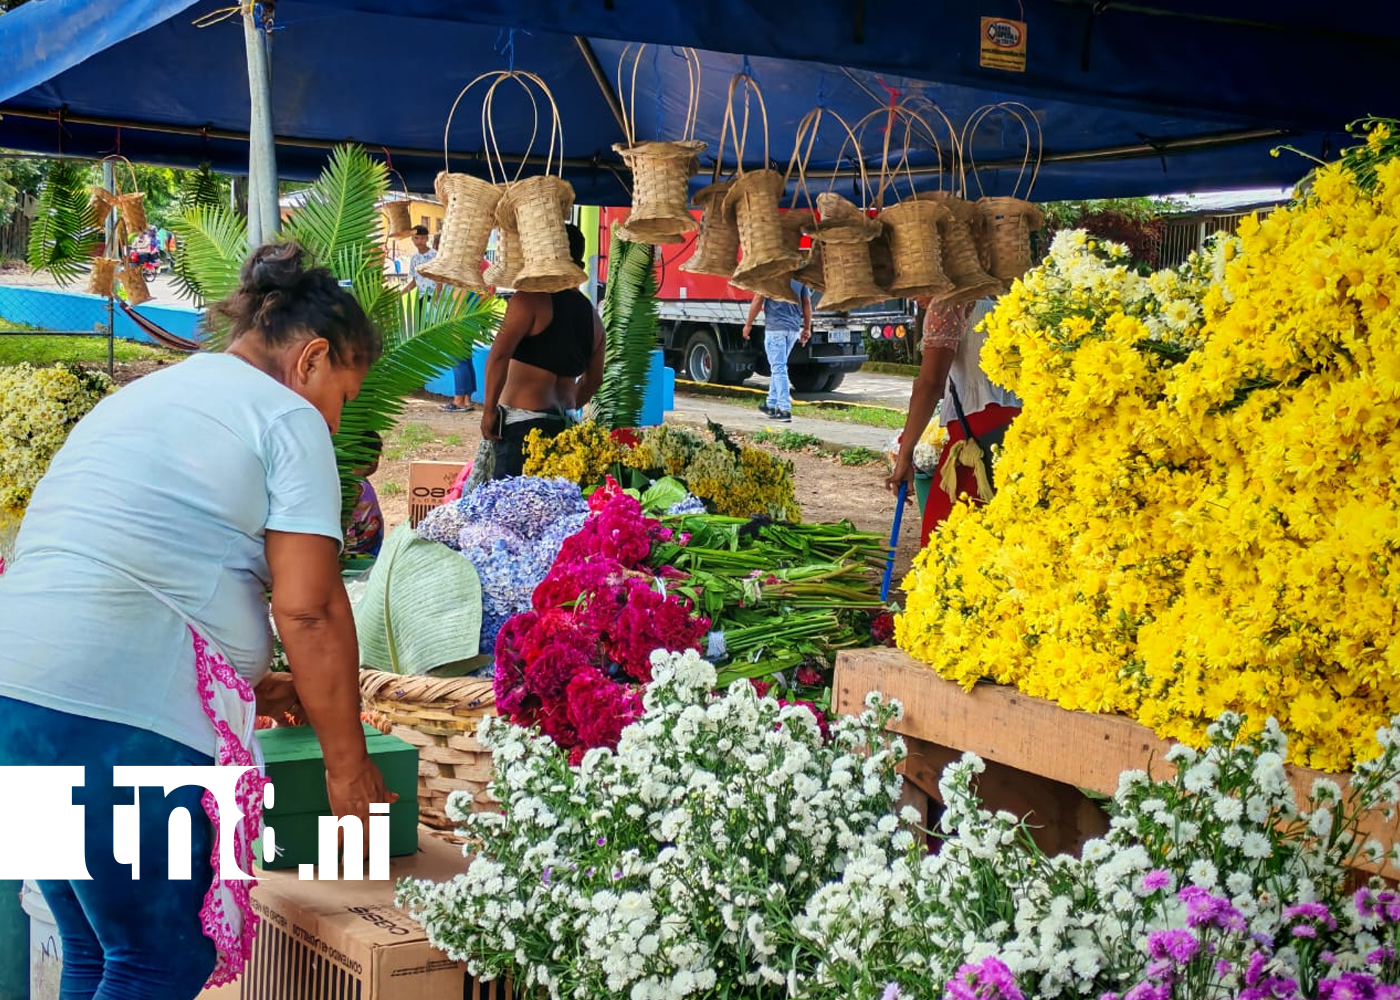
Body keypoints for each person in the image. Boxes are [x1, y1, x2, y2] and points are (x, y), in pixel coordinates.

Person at [0, 241, 394, 1000]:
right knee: (159, 958)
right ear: (311, 360)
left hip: (15, 701)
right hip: (116, 718)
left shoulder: (145, 397)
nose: (337, 424)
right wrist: (347, 771)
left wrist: (250, 683)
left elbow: (138, 561)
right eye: (343, 398)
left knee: (92, 947)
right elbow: (309, 607)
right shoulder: (286, 415)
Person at [887, 297, 1022, 546]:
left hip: (977, 433)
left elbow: (930, 384)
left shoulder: (947, 305)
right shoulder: (994, 301)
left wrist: (904, 457)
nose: (912, 296)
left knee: (944, 539)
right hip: (1013, 427)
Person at [479, 222, 605, 478]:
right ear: (578, 265)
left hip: (522, 427)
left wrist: (489, 410)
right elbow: (594, 381)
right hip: (566, 427)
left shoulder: (529, 299)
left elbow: (499, 355)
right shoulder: (593, 318)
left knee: (510, 514)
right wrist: (564, 411)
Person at [741, 279, 812, 422]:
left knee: (779, 368)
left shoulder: (770, 275)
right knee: (778, 368)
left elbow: (758, 299)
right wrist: (807, 328)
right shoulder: (799, 278)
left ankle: (784, 409)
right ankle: (771, 404)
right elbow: (807, 304)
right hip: (792, 329)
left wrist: (748, 324)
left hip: (775, 330)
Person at [344, 429, 385, 558]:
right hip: (357, 552)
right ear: (374, 458)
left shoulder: (356, 482)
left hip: (364, 549)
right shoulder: (356, 486)